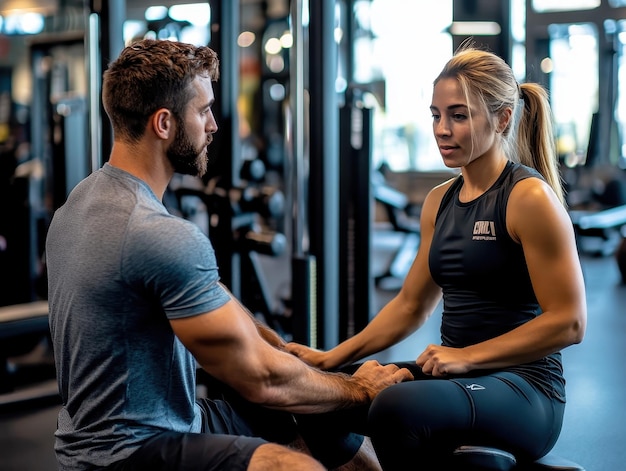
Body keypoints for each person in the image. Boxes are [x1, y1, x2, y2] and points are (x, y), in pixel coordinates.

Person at [45, 38, 413, 471]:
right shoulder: (154, 232)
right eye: (203, 111)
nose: (214, 125)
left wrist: (277, 347)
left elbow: (217, 301)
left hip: (167, 422)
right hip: (126, 452)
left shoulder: (82, 202)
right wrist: (359, 388)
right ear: (164, 124)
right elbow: (262, 380)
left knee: (316, 411)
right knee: (291, 463)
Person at [286, 43, 588, 470]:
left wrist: (467, 356)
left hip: (525, 389)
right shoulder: (439, 202)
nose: (442, 129)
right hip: (456, 376)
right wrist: (330, 359)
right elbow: (411, 305)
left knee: (397, 407)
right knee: (317, 396)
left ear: (502, 119)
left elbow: (570, 321)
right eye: (436, 115)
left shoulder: (527, 197)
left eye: (459, 115)